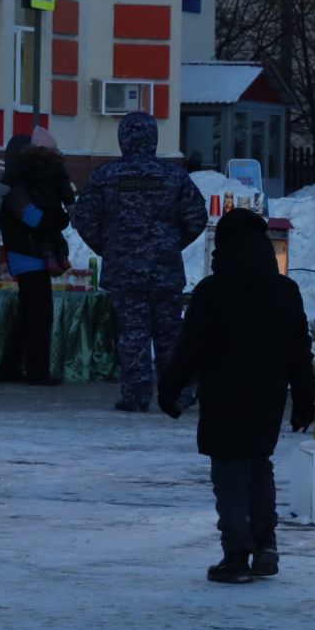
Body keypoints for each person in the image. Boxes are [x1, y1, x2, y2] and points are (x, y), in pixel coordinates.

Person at [158, 208, 315, 584]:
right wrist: (306, 398)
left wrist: (169, 387)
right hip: (268, 397)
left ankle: (235, 555)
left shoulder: (212, 291)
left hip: (223, 397)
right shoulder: (285, 290)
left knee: (229, 472)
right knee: (259, 465)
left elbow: (190, 348)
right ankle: (266, 545)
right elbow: (299, 349)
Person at [70, 110, 207, 413]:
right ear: (154, 139)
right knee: (170, 334)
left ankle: (135, 395)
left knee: (131, 334)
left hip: (124, 271)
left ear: (123, 139)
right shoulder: (174, 177)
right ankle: (179, 393)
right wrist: (171, 244)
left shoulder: (106, 177)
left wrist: (109, 247)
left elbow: (84, 218)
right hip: (165, 270)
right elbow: (197, 218)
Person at [0, 128, 75, 385]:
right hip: (28, 254)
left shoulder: (17, 184)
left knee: (27, 314)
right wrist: (61, 219)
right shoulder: (17, 188)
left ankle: (9, 368)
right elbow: (33, 219)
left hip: (28, 253)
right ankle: (37, 371)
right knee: (40, 314)